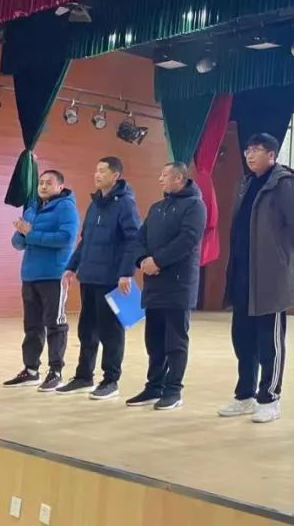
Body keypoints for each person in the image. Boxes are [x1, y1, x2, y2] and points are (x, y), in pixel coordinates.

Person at [217, 132, 294, 424]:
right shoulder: (246, 183)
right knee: (242, 339)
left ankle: (270, 397)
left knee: (269, 341)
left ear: (272, 155)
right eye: (247, 150)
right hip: (243, 272)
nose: (249, 154)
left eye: (256, 150)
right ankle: (244, 396)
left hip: (272, 275)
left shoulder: (283, 183)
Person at [57, 156, 141, 401]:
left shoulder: (125, 204)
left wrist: (126, 272)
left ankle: (110, 380)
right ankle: (84, 376)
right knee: (87, 329)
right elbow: (85, 240)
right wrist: (71, 266)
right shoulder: (94, 205)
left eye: (103, 171)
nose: (97, 174)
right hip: (89, 277)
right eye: (96, 170)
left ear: (115, 175)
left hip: (111, 279)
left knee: (110, 332)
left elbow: (133, 240)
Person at [125, 162, 205, 411]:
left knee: (175, 341)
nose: (160, 179)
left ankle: (173, 390)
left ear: (179, 178)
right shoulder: (157, 208)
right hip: (154, 284)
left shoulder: (195, 206)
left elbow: (188, 240)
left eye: (165, 175)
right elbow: (140, 238)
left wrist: (158, 261)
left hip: (178, 284)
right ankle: (154, 387)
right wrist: (143, 260)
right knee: (154, 340)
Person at [3, 169, 80, 392]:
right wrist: (22, 234)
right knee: (32, 325)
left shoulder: (66, 207)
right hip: (30, 275)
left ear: (60, 186)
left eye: (49, 183)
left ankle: (56, 372)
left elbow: (66, 238)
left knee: (55, 324)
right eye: (41, 183)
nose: (43, 186)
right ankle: (30, 370)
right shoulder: (32, 208)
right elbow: (18, 243)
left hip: (54, 275)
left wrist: (31, 234)